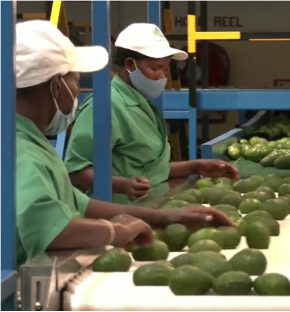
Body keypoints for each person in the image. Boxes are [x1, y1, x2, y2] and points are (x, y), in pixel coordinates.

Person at [14, 20, 233, 267]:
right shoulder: (19, 150)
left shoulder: (30, 140)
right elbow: (51, 227)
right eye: (76, 81)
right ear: (57, 86)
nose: (77, 91)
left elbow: (77, 203)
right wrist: (113, 231)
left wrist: (165, 217)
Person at [64, 23, 239, 203]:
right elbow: (76, 171)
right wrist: (123, 185)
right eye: (155, 68)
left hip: (151, 205)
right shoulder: (105, 106)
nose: (162, 76)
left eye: (165, 68)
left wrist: (197, 166)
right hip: (118, 212)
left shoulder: (142, 104)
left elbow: (151, 170)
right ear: (130, 64)